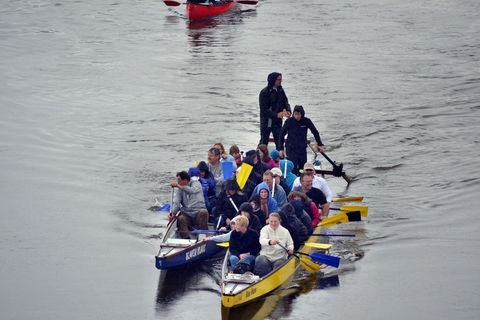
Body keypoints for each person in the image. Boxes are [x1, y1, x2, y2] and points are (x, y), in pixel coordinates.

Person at [278, 105, 324, 175]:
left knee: (302, 169)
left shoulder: (306, 121)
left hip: (302, 149)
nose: (297, 116)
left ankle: (302, 181)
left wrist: (319, 144)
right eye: (295, 114)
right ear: (293, 114)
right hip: (291, 149)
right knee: (293, 169)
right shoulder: (289, 121)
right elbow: (281, 135)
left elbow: (315, 132)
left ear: (302, 114)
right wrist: (281, 149)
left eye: (298, 114)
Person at [169, 171, 209, 239]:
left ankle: (204, 235)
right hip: (187, 214)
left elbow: (192, 190)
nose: (178, 183)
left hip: (198, 213)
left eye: (179, 181)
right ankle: (186, 238)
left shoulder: (196, 184)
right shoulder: (180, 189)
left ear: (185, 181)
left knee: (204, 212)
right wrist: (173, 212)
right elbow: (177, 201)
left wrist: (178, 186)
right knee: (181, 219)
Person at [253, 212, 294, 277]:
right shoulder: (264, 229)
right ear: (268, 221)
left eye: (275, 221)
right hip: (266, 256)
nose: (273, 223)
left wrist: (290, 249)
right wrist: (270, 242)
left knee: (279, 264)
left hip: (280, 257)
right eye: (271, 221)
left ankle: (276, 278)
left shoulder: (285, 231)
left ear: (279, 221)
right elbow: (262, 240)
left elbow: (290, 243)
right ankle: (262, 279)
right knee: (259, 260)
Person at [259, 72, 291, 149]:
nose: (280, 81)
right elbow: (264, 110)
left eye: (281, 79)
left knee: (279, 141)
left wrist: (288, 111)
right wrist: (276, 115)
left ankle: (280, 158)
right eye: (279, 79)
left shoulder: (280, 90)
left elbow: (285, 102)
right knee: (264, 141)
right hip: (267, 122)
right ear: (273, 80)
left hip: (277, 122)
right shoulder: (264, 92)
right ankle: (259, 158)